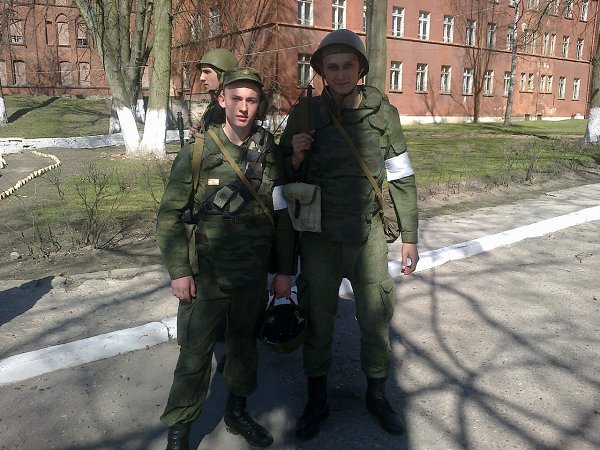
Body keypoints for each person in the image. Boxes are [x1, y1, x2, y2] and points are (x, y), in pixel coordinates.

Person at [279, 29, 420, 440]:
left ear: (360, 70)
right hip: (319, 235)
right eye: (332, 67)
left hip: (367, 235)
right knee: (318, 320)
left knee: (375, 318)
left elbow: (401, 176)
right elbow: (280, 176)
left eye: (347, 66)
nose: (340, 74)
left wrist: (410, 237)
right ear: (322, 71)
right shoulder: (305, 114)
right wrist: (296, 154)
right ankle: (317, 398)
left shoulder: (383, 115)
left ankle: (377, 394)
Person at [157, 67, 294, 450]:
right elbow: (169, 215)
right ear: (222, 99)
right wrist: (179, 271)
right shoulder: (199, 152)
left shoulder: (268, 154)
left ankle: (237, 412)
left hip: (252, 277)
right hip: (207, 275)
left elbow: (282, 215)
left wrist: (284, 271)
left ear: (258, 104)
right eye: (236, 99)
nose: (244, 107)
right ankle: (180, 429)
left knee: (244, 348)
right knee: (195, 355)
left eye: (251, 100)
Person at [192, 48, 238, 134]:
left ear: (223, 75)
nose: (201, 78)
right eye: (202, 72)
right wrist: (199, 134)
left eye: (207, 72)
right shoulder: (215, 104)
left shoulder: (234, 107)